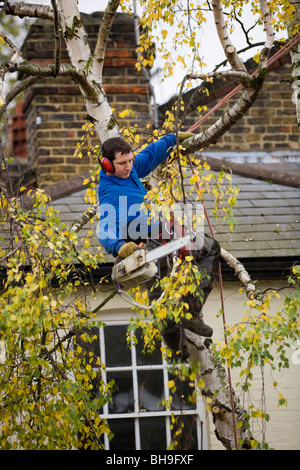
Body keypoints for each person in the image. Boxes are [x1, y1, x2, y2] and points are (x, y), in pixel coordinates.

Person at [98, 134, 220, 361]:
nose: (128, 167)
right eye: (122, 163)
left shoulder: (131, 168)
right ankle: (182, 336)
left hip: (165, 233)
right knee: (163, 295)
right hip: (148, 244)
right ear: (107, 164)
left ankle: (185, 327)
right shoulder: (109, 193)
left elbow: (151, 154)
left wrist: (173, 138)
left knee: (208, 250)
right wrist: (120, 248)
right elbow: (104, 229)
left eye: (130, 161)